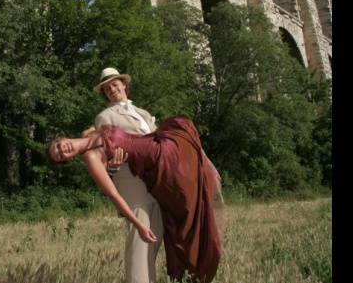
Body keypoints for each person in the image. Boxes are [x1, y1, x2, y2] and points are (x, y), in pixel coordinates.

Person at [49, 114, 223, 283]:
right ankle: (196, 267)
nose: (62, 150)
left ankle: (210, 172)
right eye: (60, 156)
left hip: (156, 142)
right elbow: (113, 194)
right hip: (159, 162)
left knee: (183, 128)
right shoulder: (90, 157)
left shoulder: (94, 131)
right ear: (68, 160)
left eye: (58, 146)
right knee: (189, 208)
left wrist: (113, 166)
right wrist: (139, 226)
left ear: (62, 139)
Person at [92, 68, 163, 283]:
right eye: (107, 88)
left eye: (115, 85)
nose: (112, 90)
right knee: (139, 239)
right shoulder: (105, 117)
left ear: (123, 84)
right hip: (130, 180)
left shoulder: (141, 112)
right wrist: (112, 167)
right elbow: (103, 157)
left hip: (154, 178)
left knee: (155, 237)